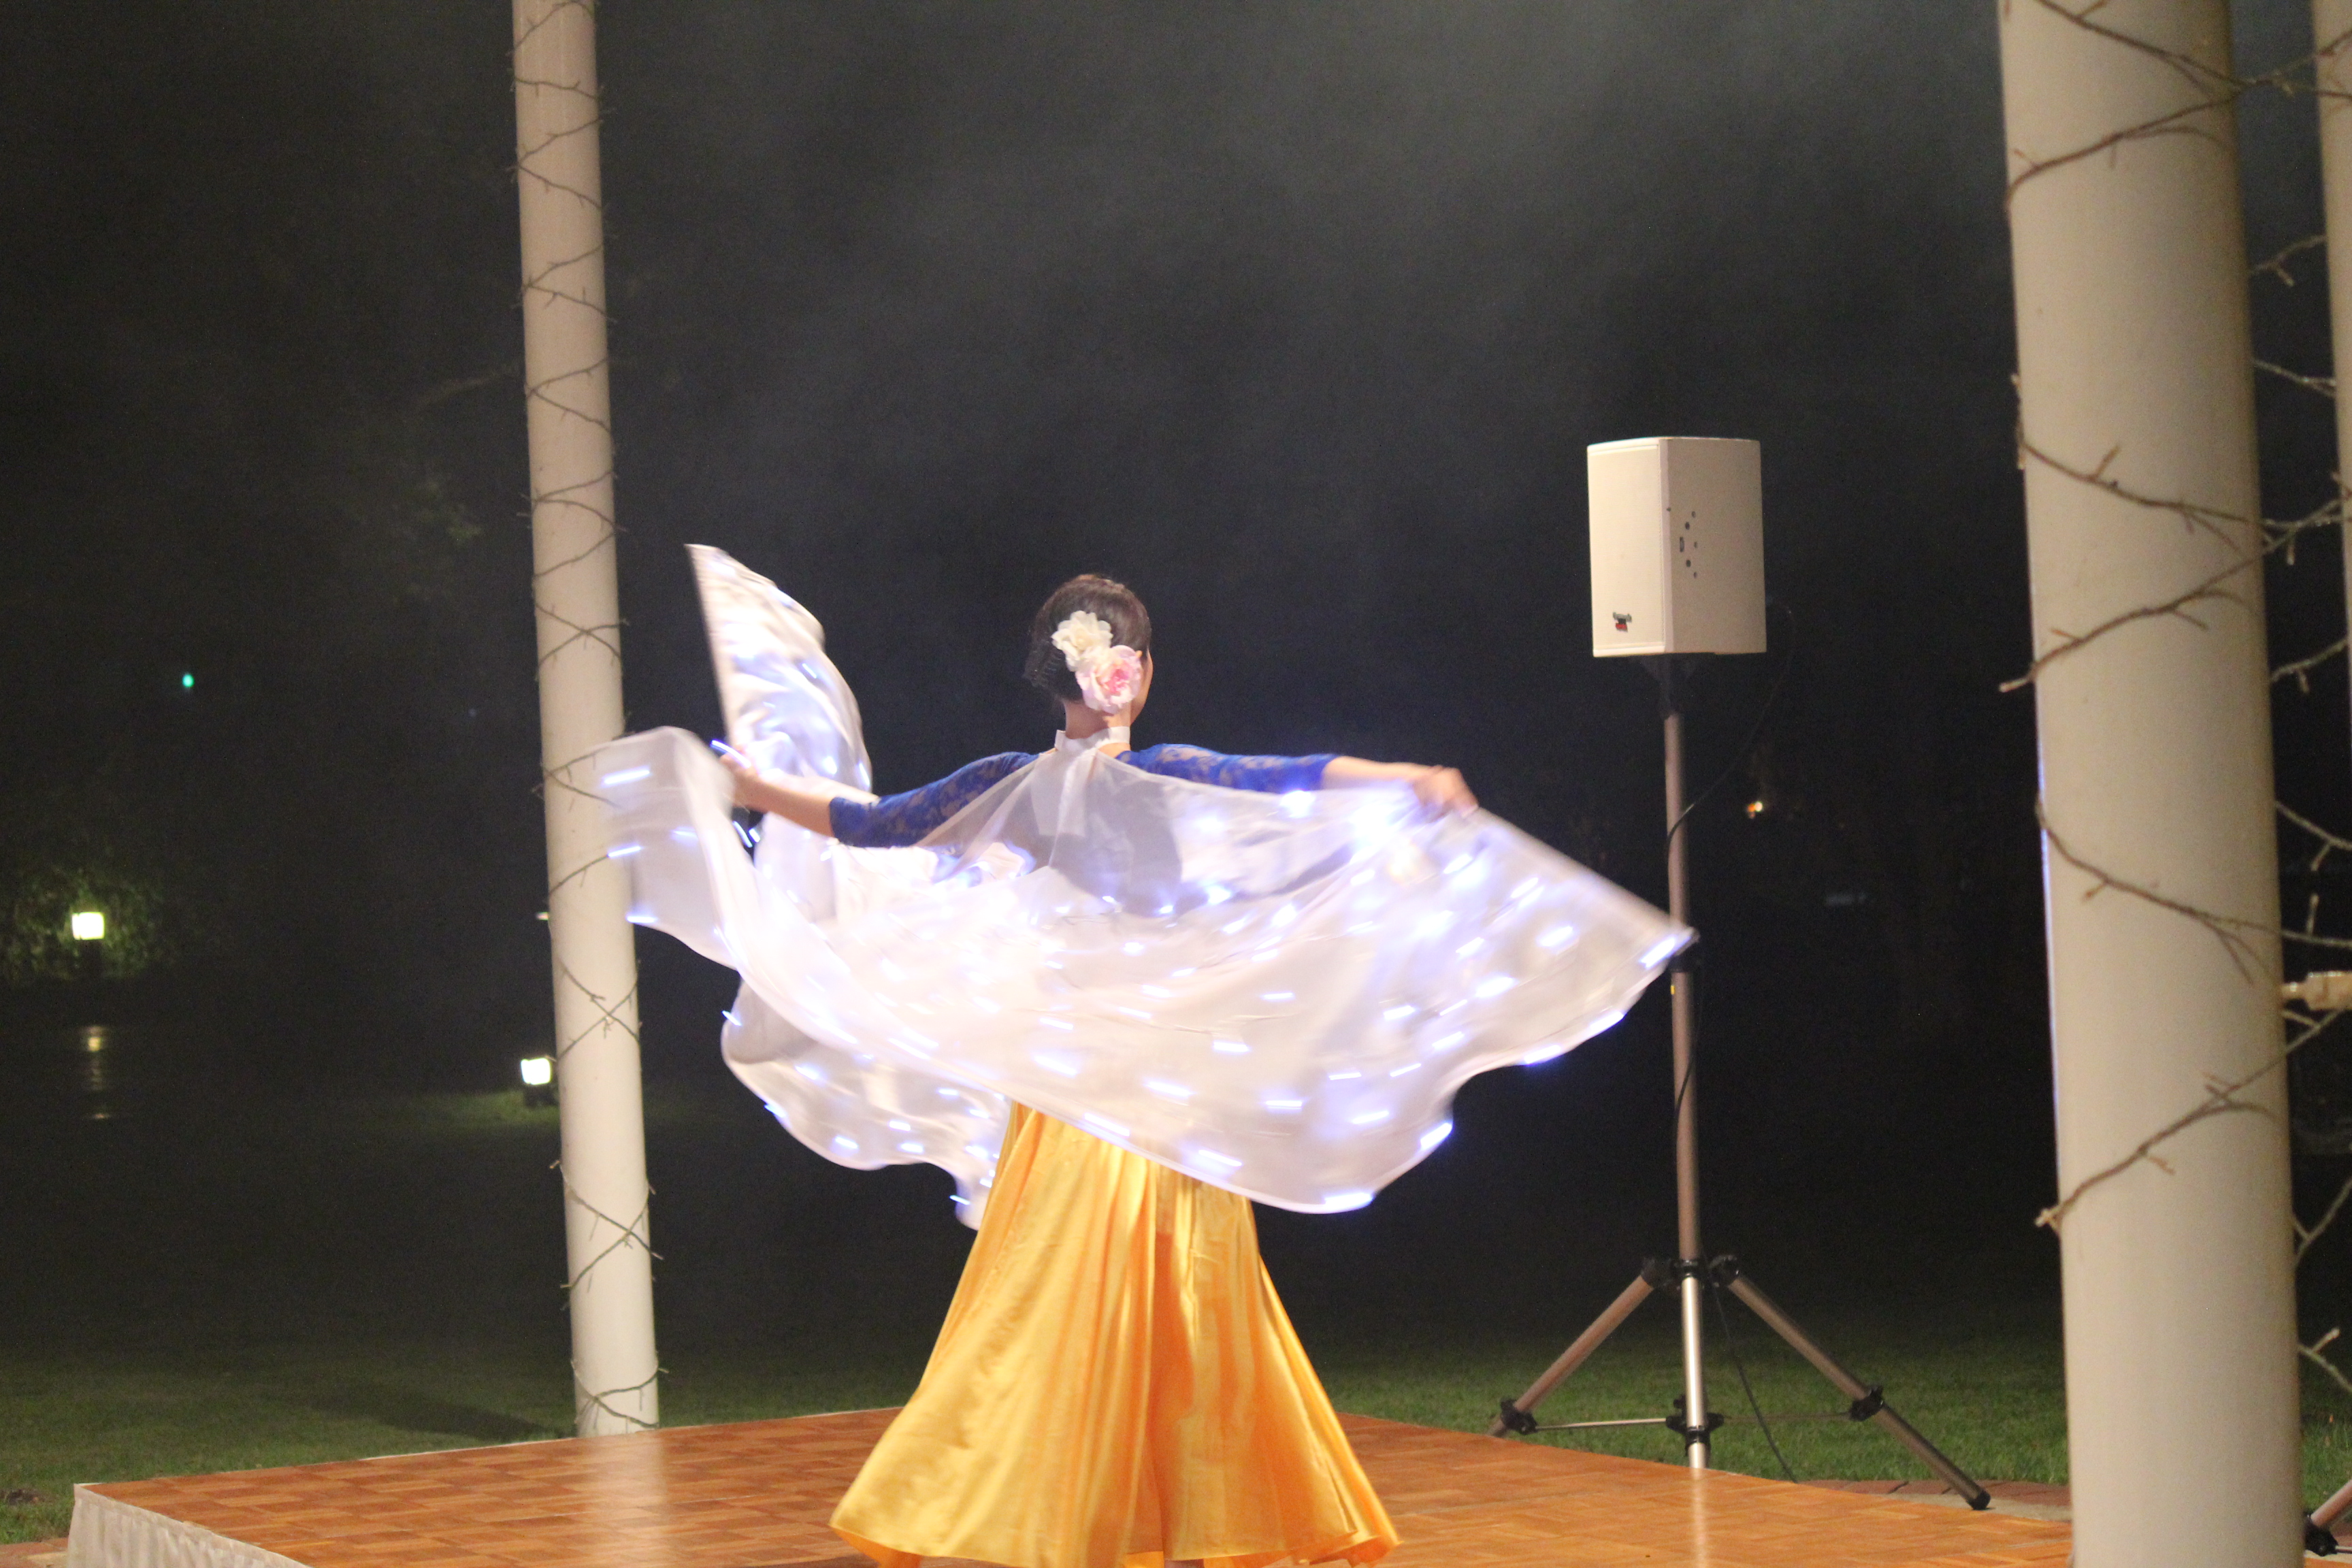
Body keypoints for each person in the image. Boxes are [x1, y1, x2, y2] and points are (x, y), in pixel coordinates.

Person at [719, 575, 1474, 1568]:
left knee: (1080, 1297)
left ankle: (1079, 1517)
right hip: (1162, 1089)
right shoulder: (1166, 774)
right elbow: (1286, 776)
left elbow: (874, 822)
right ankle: (1134, 1518)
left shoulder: (1009, 784)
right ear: (1138, 671)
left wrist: (759, 791)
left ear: (1053, 677)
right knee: (1174, 1301)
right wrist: (1407, 776)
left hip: (1074, 1089)